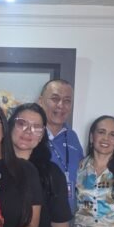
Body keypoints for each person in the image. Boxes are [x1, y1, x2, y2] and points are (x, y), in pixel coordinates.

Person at [39, 79, 84, 211]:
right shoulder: (29, 135)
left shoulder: (72, 136)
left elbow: (86, 168)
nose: (61, 105)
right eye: (55, 99)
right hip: (38, 216)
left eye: (67, 101)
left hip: (68, 216)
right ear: (41, 101)